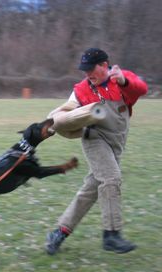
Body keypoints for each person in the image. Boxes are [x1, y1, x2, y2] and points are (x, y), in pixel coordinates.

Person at [45, 48, 148, 255]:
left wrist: (123, 82)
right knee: (111, 179)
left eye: (91, 69)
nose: (87, 74)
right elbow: (67, 109)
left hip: (117, 142)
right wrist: (56, 118)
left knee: (92, 188)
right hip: (94, 139)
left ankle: (60, 232)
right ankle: (111, 234)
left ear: (104, 65)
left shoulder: (121, 78)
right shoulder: (81, 89)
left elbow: (141, 89)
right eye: (85, 70)